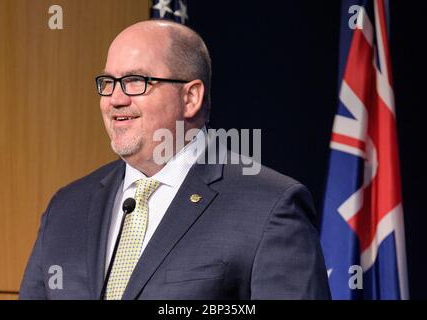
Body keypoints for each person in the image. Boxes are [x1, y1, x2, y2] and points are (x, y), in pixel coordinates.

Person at [19, 19, 330, 300]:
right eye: (108, 83)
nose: (115, 99)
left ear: (190, 97)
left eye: (135, 81)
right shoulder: (66, 207)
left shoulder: (269, 207)